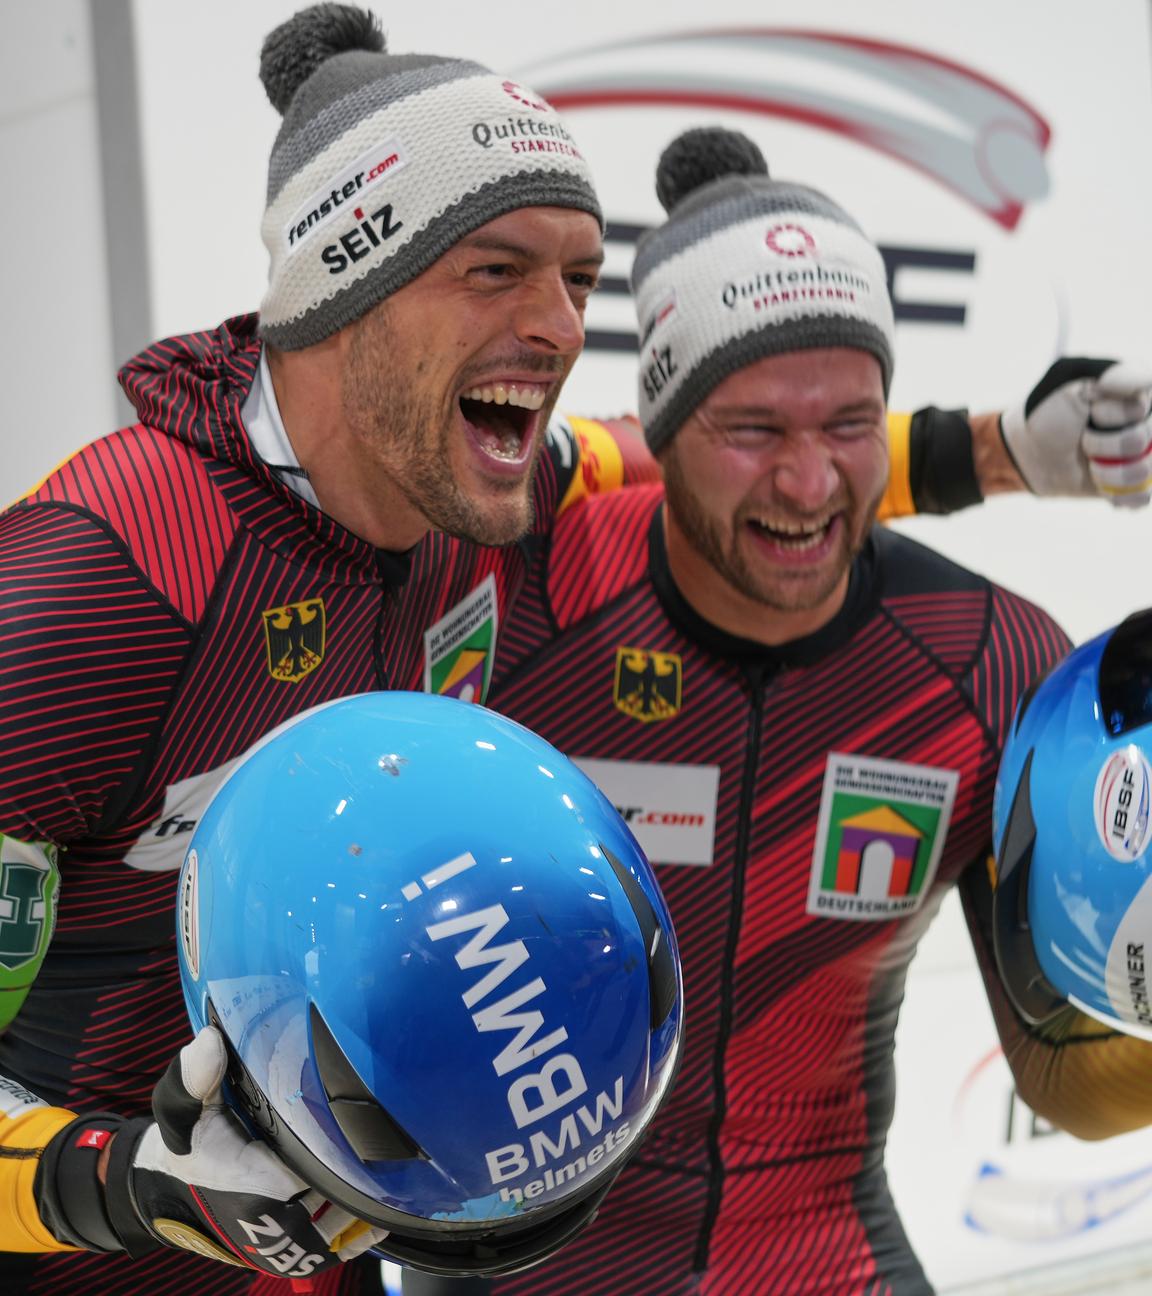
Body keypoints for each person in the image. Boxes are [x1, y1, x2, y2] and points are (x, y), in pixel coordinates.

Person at [0, 4, 1148, 1292]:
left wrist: (990, 450)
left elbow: (682, 450)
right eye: (498, 268)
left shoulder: (481, 490)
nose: (558, 323)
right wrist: (121, 1183)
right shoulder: (95, 581)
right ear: (345, 284)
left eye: (581, 278)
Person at [460, 128, 1152, 1296]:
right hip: (504, 1263)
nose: (811, 481)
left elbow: (1059, 1076)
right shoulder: (516, 600)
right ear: (662, 433)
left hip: (820, 1256)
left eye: (848, 424)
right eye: (754, 431)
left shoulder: (984, 660)